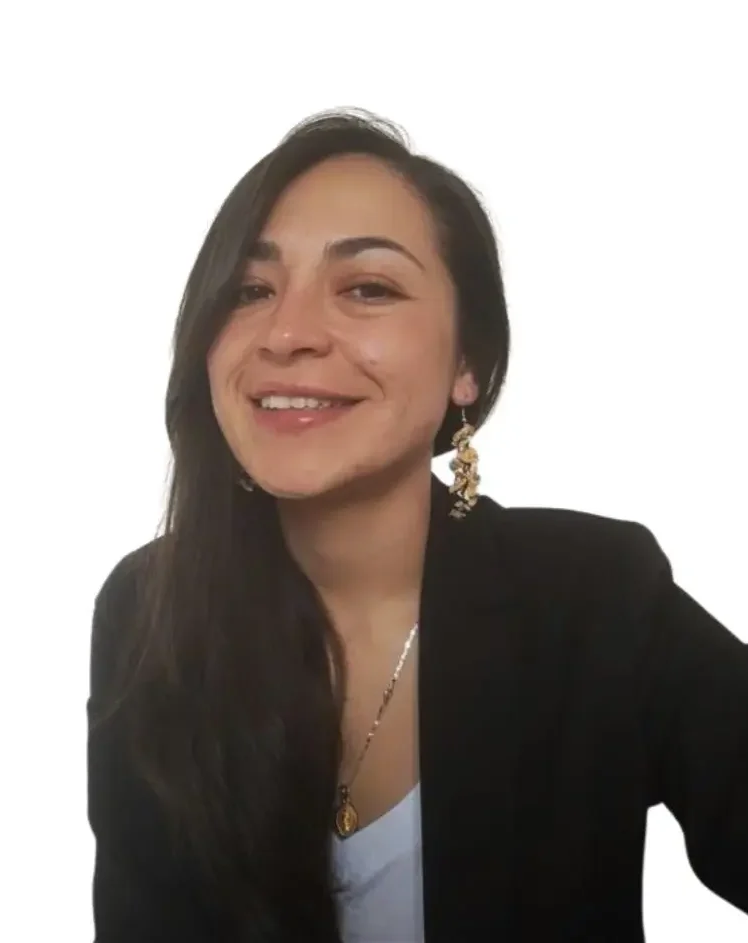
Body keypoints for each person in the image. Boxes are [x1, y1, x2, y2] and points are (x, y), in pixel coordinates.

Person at [87, 109, 748, 942]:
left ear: (466, 363)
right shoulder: (150, 611)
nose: (287, 334)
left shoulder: (594, 593)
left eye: (368, 288)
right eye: (251, 291)